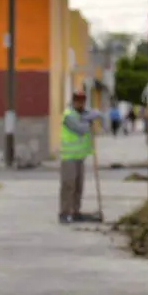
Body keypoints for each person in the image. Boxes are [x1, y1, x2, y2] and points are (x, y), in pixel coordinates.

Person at [59, 92, 100, 224]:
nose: (81, 104)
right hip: (68, 157)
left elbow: (97, 115)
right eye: (78, 101)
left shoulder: (83, 113)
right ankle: (64, 212)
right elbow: (80, 129)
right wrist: (88, 120)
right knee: (68, 185)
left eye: (83, 101)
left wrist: (91, 116)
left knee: (78, 186)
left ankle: (75, 211)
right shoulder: (68, 115)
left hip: (80, 157)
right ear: (73, 101)